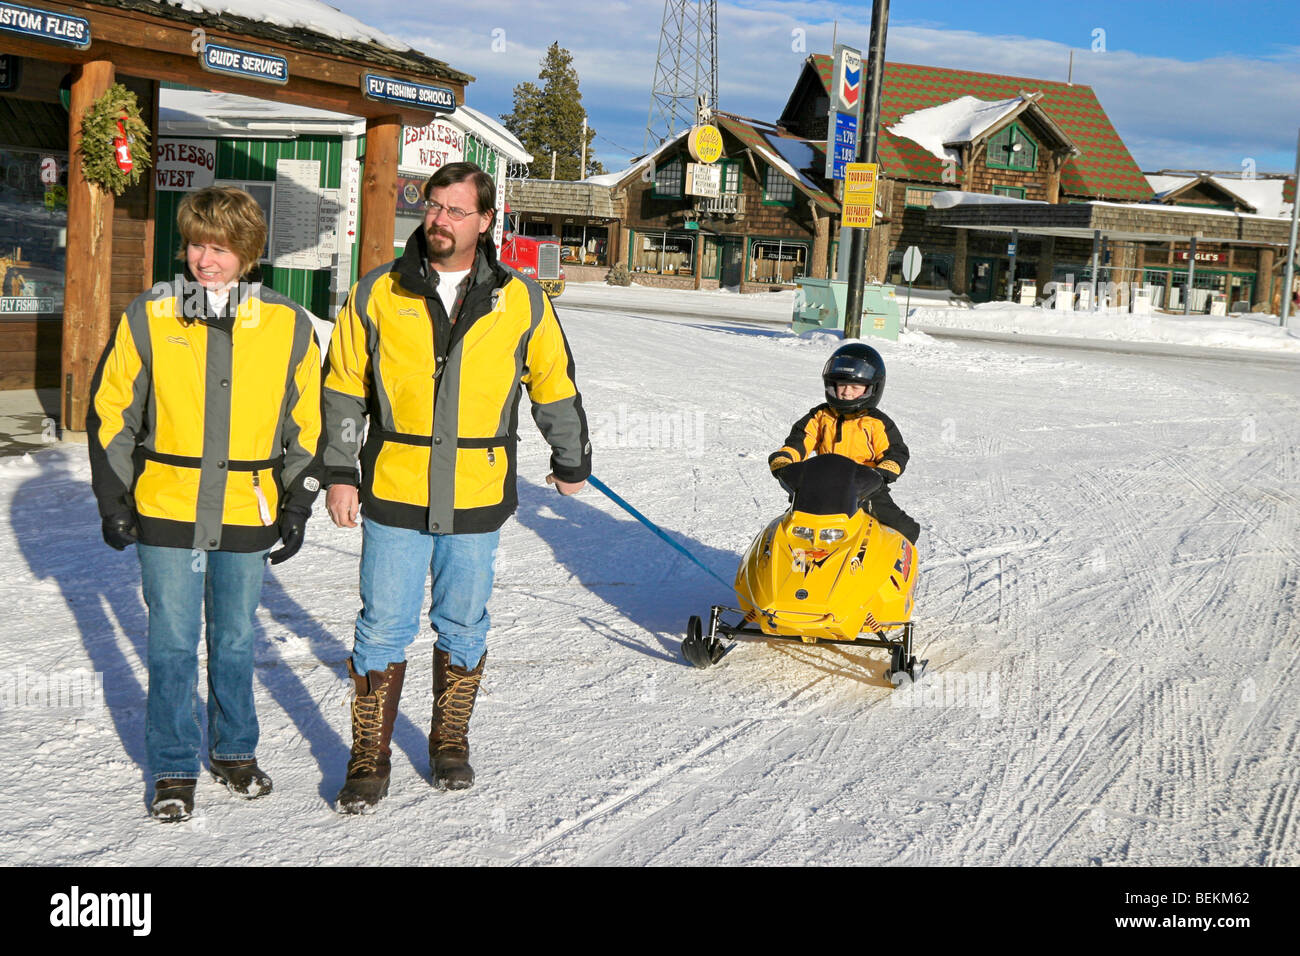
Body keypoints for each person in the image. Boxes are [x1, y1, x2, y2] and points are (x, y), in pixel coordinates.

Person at [322, 161, 590, 814]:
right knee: (381, 626)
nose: (439, 220)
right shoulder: (377, 292)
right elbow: (341, 385)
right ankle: (369, 755)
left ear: (486, 221)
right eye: (433, 205)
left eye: (456, 210)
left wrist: (571, 457)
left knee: (463, 624)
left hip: (474, 492)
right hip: (394, 487)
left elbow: (552, 381)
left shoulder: (520, 299)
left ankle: (449, 742)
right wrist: (336, 470)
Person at [87, 186, 323, 822]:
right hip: (168, 504)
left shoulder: (286, 323)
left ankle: (234, 751)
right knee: (169, 642)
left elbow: (306, 423)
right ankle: (171, 765)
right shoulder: (153, 313)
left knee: (236, 638)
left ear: (248, 253)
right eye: (196, 245)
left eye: (219, 247)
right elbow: (112, 410)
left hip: (246, 507)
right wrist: (114, 493)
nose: (204, 260)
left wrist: (297, 501)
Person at [768, 342, 920, 544]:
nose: (847, 393)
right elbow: (799, 441)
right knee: (789, 528)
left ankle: (898, 566)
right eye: (841, 386)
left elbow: (896, 453)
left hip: (865, 488)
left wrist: (884, 472)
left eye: (855, 387)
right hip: (821, 484)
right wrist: (784, 460)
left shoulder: (877, 422)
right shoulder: (820, 416)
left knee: (903, 527)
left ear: (871, 389)